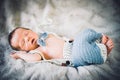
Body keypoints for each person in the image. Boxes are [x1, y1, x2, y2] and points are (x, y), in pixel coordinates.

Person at [8, 27, 114, 67]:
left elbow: (63, 39)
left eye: (26, 34)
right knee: (83, 53)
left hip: (73, 45)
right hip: (73, 57)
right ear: (24, 50)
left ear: (31, 30)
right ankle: (103, 51)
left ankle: (99, 39)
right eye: (23, 43)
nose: (26, 38)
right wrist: (20, 55)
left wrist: (74, 39)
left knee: (85, 32)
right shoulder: (36, 52)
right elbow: (33, 59)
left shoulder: (47, 35)